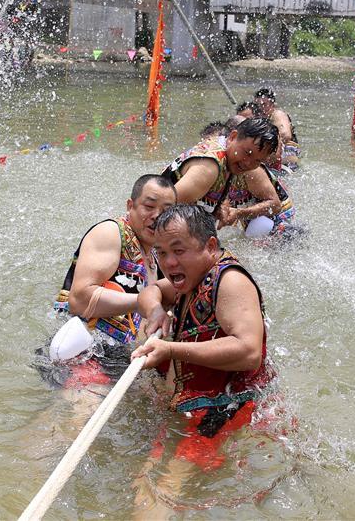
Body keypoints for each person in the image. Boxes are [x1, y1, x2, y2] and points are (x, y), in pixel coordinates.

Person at [129, 204, 274, 510]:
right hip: (192, 405)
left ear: (210, 245)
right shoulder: (191, 274)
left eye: (178, 250)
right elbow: (150, 291)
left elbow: (249, 352)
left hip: (226, 407)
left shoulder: (230, 281)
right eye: (161, 252)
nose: (169, 262)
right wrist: (156, 311)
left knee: (156, 489)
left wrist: (170, 349)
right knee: (144, 483)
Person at [43, 174, 177, 386]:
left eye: (167, 211)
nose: (157, 216)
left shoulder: (156, 256)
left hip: (117, 356)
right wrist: (145, 302)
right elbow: (80, 300)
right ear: (130, 205)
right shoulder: (111, 233)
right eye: (149, 206)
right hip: (82, 351)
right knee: (80, 416)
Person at [161, 117, 279, 218]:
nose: (248, 163)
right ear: (232, 137)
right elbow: (162, 208)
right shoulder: (208, 169)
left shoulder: (229, 158)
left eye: (258, 160)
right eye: (247, 153)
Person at [255, 87, 300, 173]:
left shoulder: (277, 114)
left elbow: (286, 135)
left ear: (273, 105)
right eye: (257, 105)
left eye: (264, 105)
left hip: (287, 162)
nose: (260, 108)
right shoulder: (260, 118)